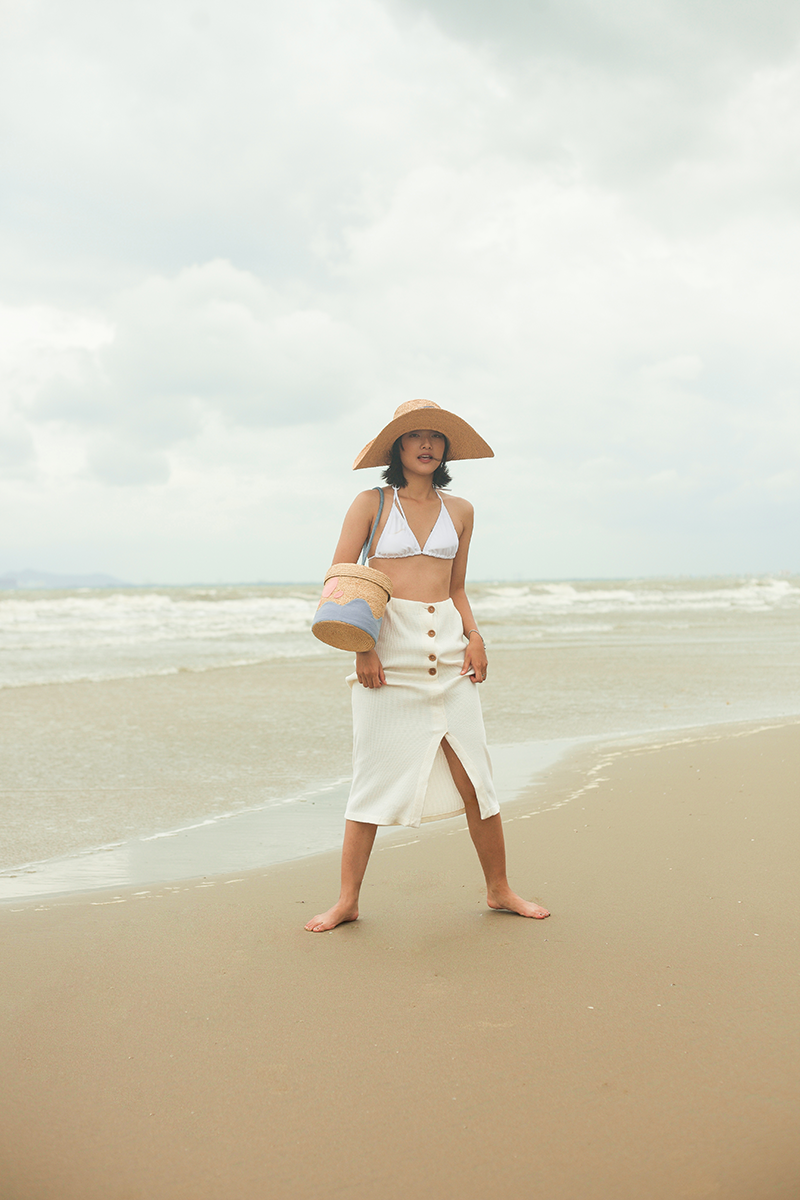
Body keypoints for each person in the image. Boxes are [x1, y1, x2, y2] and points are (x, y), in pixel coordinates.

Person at [305, 399, 550, 932]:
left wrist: (477, 636)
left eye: (435, 437)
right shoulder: (371, 502)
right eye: (414, 436)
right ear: (397, 446)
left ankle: (498, 889)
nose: (426, 444)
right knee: (372, 775)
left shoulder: (460, 509)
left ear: (445, 449)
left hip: (450, 645)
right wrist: (361, 646)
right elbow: (342, 575)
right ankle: (347, 901)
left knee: (476, 778)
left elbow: (456, 586)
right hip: (389, 646)